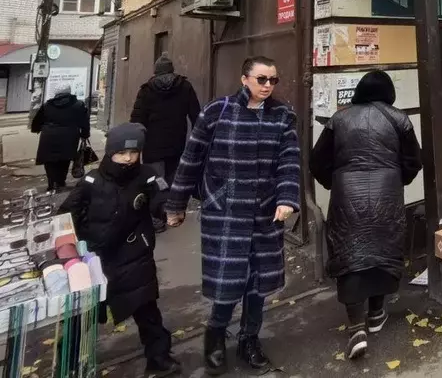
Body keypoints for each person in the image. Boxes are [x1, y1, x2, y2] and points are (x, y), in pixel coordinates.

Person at [164, 56, 300, 374]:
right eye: (261, 79)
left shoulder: (282, 116)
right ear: (244, 79)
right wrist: (176, 204)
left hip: (266, 213)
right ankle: (214, 335)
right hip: (224, 212)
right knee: (228, 281)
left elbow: (289, 160)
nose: (268, 86)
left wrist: (287, 198)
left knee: (258, 284)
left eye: (273, 80)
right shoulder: (217, 111)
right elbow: (191, 157)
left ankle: (249, 339)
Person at [311, 70, 422, 360]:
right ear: (388, 93)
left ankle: (356, 327)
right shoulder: (399, 118)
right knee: (383, 251)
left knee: (350, 254)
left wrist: (335, 182)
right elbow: (413, 161)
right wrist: (397, 180)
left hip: (348, 193)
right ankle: (376, 313)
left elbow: (316, 161)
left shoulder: (339, 119)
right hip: (387, 193)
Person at [60, 123, 179, 377]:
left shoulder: (146, 175)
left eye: (134, 152)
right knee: (82, 314)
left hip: (134, 254)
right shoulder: (91, 180)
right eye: (122, 152)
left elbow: (161, 197)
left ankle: (158, 357)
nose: (128, 158)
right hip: (95, 258)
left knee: (146, 308)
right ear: (110, 151)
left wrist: (169, 212)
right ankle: (66, 362)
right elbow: (67, 214)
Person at [130, 54, 201, 186]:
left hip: (152, 145)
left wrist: (133, 146)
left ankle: (157, 203)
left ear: (155, 71)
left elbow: (137, 121)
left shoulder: (146, 90)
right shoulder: (185, 86)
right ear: (171, 69)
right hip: (176, 142)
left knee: (154, 181)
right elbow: (196, 116)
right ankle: (169, 204)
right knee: (173, 180)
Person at [32, 83, 90, 192]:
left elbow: (37, 121)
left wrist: (36, 129)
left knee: (49, 161)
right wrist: (85, 134)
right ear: (69, 91)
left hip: (49, 136)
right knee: (64, 160)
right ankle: (60, 182)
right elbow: (84, 121)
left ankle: (51, 183)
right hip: (69, 136)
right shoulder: (78, 105)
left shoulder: (47, 105)